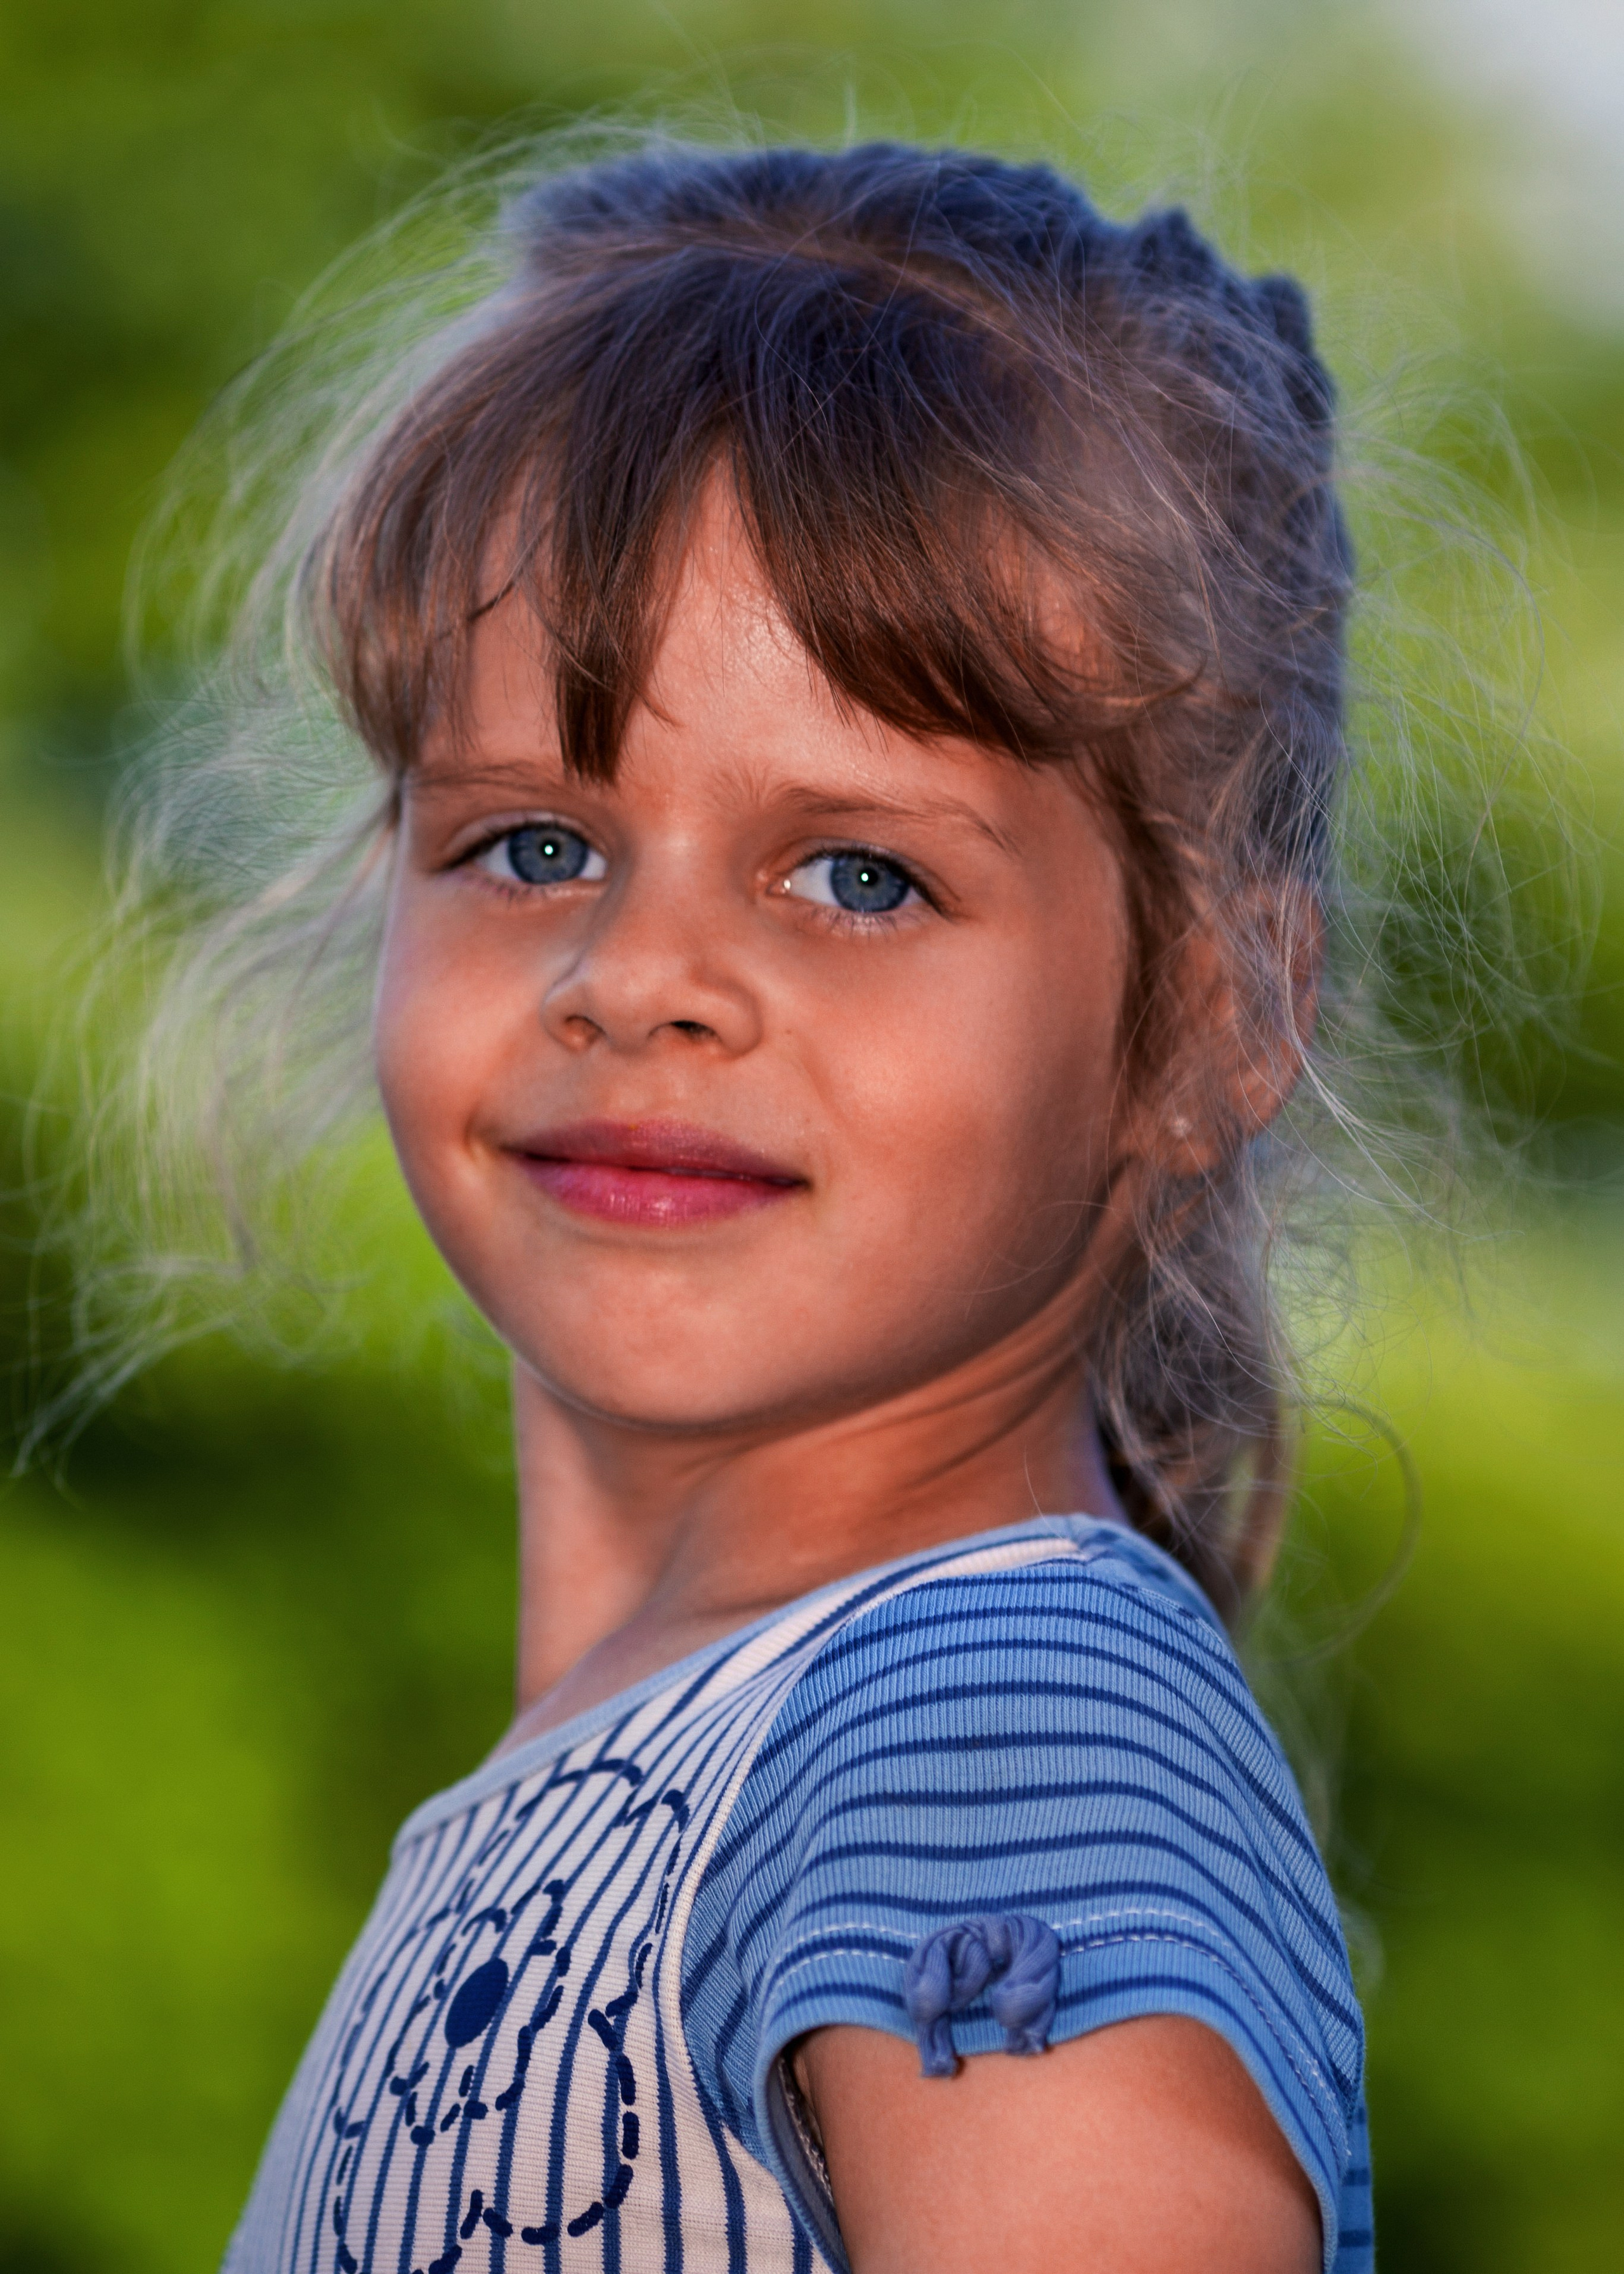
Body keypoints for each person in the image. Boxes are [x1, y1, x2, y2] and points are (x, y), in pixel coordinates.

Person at [142, 141, 1375, 2271]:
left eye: (858, 874)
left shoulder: (991, 1731)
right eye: (534, 843)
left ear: (1212, 1019)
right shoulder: (715, 1744)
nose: (638, 976)